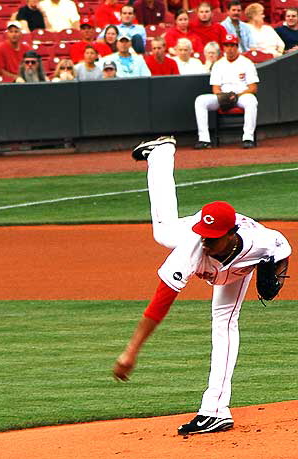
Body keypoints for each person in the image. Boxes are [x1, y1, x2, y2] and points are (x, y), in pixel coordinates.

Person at [115, 135, 291, 435]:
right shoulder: (194, 244)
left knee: (224, 323)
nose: (207, 241)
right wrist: (131, 352)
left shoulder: (262, 242)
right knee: (165, 233)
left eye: (214, 237)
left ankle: (214, 411)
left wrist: (276, 276)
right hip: (200, 247)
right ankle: (160, 154)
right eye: (204, 235)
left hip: (237, 270)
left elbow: (284, 250)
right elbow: (161, 302)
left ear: (231, 233)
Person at [194, 34, 258, 149]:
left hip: (241, 96)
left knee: (252, 100)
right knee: (201, 100)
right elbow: (215, 88)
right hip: (223, 96)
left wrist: (237, 95)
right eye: (227, 45)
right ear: (223, 47)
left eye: (232, 45)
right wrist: (223, 96)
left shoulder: (247, 62)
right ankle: (204, 139)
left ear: (237, 47)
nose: (229, 48)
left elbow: (253, 88)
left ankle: (248, 138)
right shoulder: (218, 64)